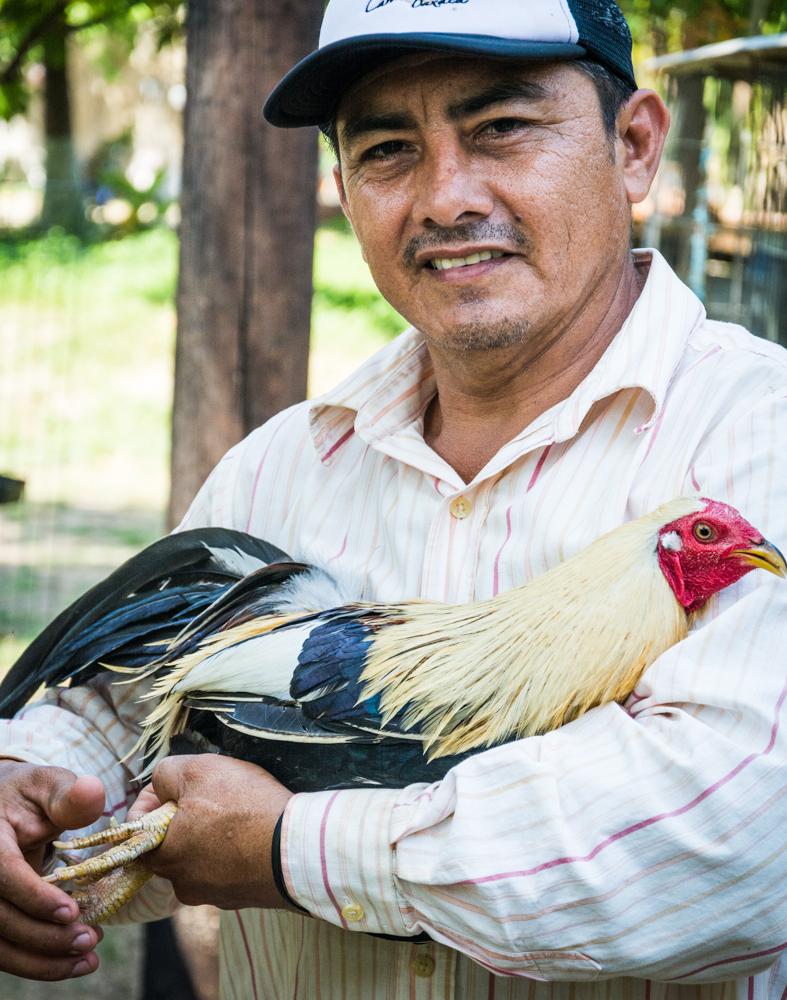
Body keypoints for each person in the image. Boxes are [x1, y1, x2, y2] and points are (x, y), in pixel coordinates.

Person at [2, 0, 787, 995]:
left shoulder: (761, 436)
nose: (446, 197)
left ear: (633, 147)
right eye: (386, 149)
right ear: (342, 187)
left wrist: (292, 849)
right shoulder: (277, 467)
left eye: (501, 128)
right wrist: (28, 787)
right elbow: (129, 707)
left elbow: (735, 843)